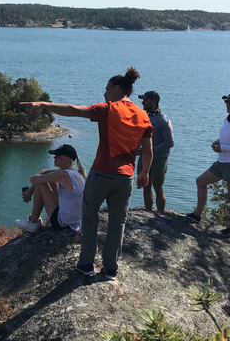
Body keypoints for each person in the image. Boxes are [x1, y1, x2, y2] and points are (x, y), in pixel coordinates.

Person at [21, 67, 153, 281]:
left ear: (117, 88)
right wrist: (145, 172)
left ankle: (86, 265)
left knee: (89, 217)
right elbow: (148, 149)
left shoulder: (109, 109)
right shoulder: (142, 115)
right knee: (117, 223)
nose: (104, 94)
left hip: (101, 175)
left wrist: (42, 104)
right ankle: (111, 269)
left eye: (107, 89)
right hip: (126, 178)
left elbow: (73, 109)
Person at [186, 92, 230, 238]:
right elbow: (229, 135)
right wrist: (218, 140)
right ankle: (197, 215)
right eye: (227, 102)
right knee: (201, 181)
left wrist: (224, 148)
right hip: (222, 162)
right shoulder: (228, 119)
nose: (228, 105)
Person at [15, 144, 87, 233]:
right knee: (49, 181)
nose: (54, 158)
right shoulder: (76, 172)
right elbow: (44, 172)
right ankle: (34, 221)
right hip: (75, 221)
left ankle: (33, 222)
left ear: (68, 159)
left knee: (41, 184)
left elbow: (33, 179)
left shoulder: (63, 175)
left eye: (58, 156)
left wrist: (31, 189)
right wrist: (31, 190)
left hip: (62, 223)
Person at [137, 91, 174, 212]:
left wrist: (150, 150)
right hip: (145, 156)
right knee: (145, 185)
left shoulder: (163, 120)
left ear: (153, 101)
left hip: (159, 158)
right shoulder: (144, 117)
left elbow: (169, 142)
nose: (143, 102)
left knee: (158, 187)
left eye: (145, 100)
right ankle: (148, 212)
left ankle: (161, 215)